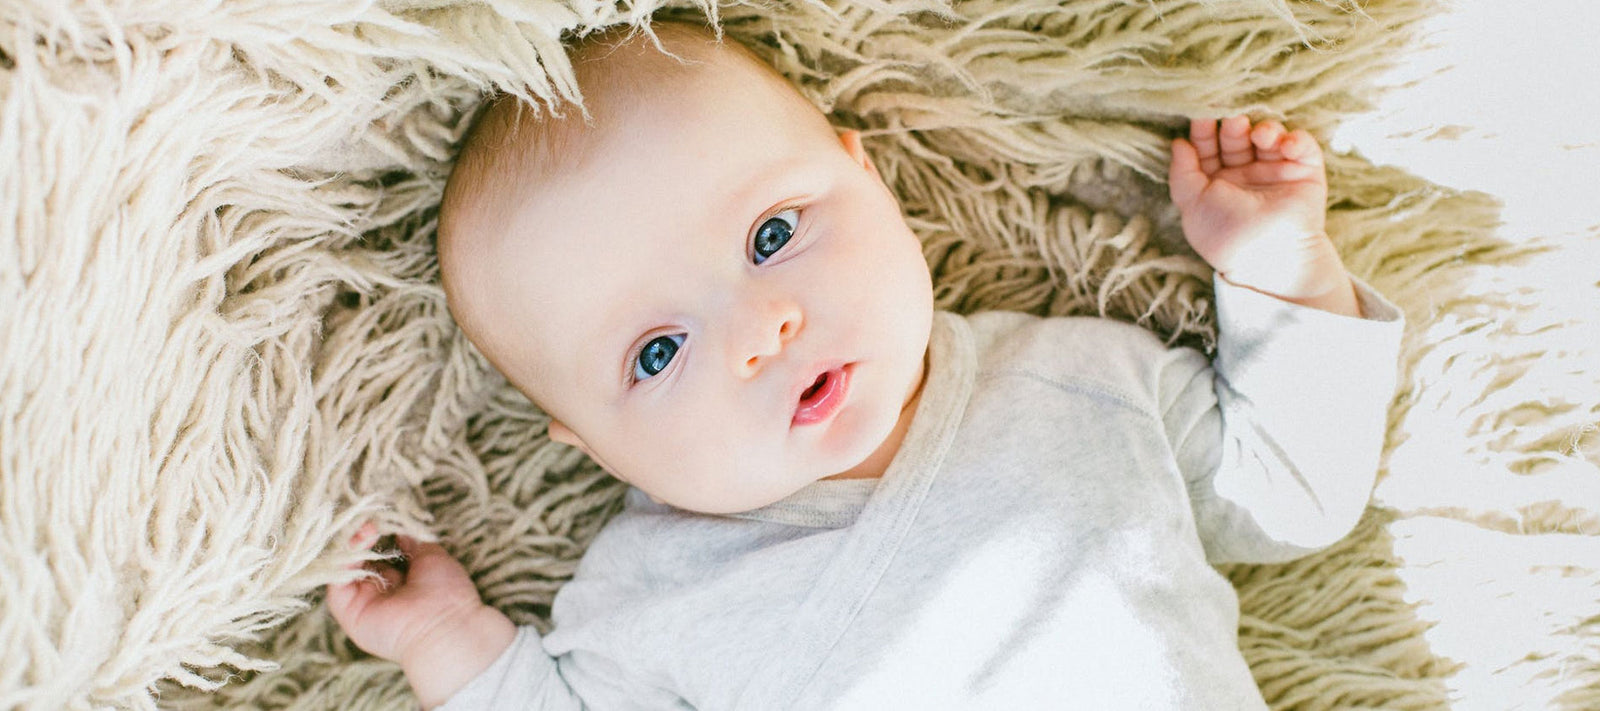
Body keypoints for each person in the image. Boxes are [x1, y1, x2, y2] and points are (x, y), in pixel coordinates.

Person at [325, 20, 1403, 710]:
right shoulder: (649, 597)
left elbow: (1288, 495)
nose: (762, 329)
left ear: (872, 179)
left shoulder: (1083, 384)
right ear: (592, 443)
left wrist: (1281, 273)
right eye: (658, 351)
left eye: (771, 236)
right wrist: (450, 642)